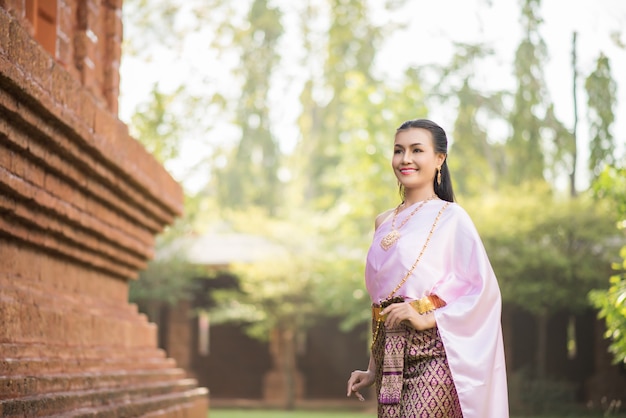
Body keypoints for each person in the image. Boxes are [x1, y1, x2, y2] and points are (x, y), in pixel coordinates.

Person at [346, 119, 509, 417]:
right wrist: (372, 369)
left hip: (434, 353)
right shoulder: (383, 222)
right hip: (388, 357)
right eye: (399, 150)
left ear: (439, 159)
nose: (405, 159)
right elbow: (382, 302)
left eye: (416, 150)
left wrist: (427, 318)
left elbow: (481, 291)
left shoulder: (452, 218)